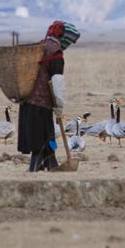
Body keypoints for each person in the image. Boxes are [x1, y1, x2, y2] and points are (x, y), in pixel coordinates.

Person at [17, 21, 80, 171]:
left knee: (43, 135)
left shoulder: (40, 46)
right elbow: (57, 80)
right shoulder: (56, 52)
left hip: (26, 100)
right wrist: (59, 104)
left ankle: (50, 164)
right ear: (64, 38)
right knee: (41, 136)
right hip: (41, 103)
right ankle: (36, 166)